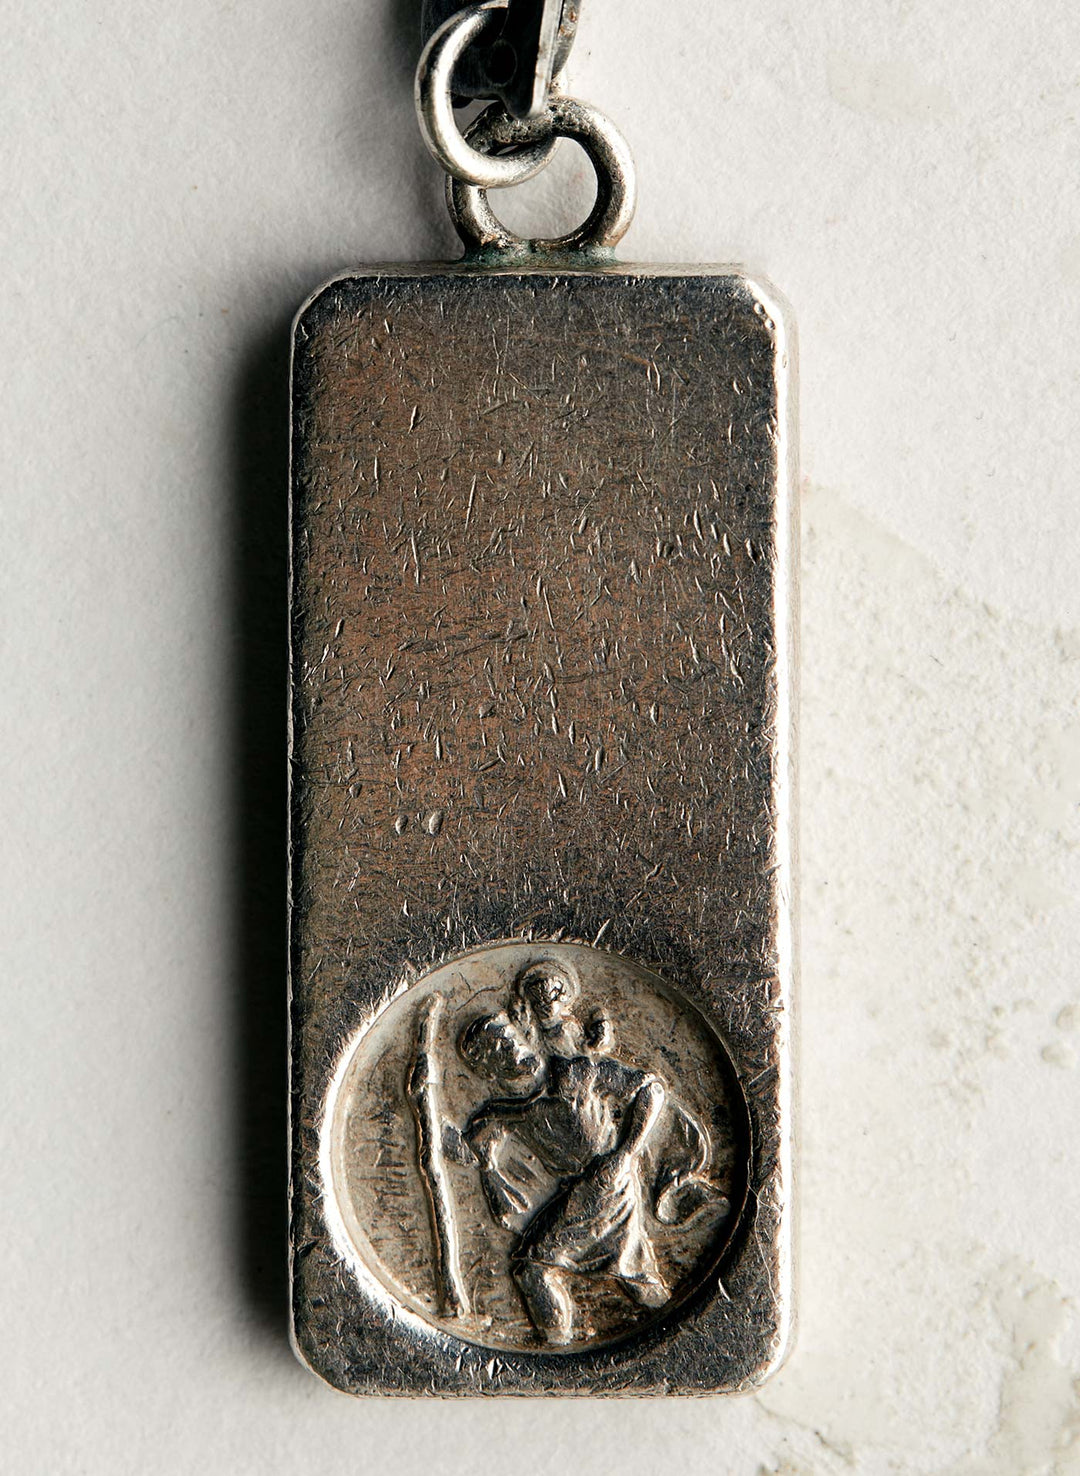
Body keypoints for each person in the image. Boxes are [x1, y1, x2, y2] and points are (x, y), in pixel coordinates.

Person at [456, 965, 672, 1345]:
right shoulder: (508, 1111)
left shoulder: (575, 1074)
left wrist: (626, 1154)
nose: (512, 1048)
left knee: (532, 1268)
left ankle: (556, 1343)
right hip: (586, 1190)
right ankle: (671, 1324)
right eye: (498, 1048)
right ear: (487, 1070)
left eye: (509, 1037)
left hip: (605, 1183)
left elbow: (651, 1090)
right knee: (632, 1271)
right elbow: (470, 1144)